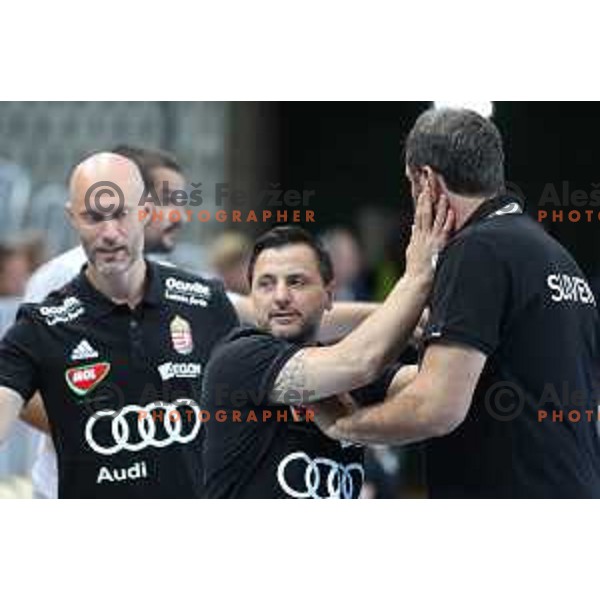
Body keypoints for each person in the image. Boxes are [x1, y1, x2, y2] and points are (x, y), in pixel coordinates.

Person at [317, 107, 600, 498]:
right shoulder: (554, 256)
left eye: (410, 184)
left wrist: (346, 427)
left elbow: (436, 406)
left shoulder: (476, 249)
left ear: (428, 181)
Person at [0, 152, 239, 498]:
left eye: (121, 215)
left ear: (144, 212)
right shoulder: (42, 324)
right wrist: (73, 422)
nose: (109, 233)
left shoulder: (205, 300)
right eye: (93, 218)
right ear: (72, 219)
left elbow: (259, 389)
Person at [201, 187, 451, 498]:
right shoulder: (240, 357)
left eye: (296, 281)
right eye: (266, 284)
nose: (280, 296)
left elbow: (437, 385)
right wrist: (416, 276)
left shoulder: (345, 375)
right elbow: (358, 362)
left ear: (329, 295)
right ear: (251, 296)